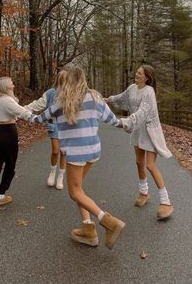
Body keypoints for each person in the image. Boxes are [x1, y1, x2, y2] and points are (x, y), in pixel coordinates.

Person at [30, 67, 125, 249]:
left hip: (76, 153)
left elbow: (39, 118)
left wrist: (21, 113)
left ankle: (109, 222)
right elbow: (113, 121)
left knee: (75, 192)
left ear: (68, 81)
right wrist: (129, 123)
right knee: (79, 190)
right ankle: (88, 229)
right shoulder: (96, 97)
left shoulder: (63, 100)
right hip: (93, 151)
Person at [105, 64, 174, 220]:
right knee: (138, 162)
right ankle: (144, 192)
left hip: (150, 131)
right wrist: (107, 100)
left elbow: (143, 113)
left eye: (140, 73)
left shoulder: (149, 92)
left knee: (150, 165)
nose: (137, 74)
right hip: (138, 130)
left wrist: (125, 122)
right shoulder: (132, 88)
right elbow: (121, 97)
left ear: (147, 78)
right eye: (137, 72)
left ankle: (166, 202)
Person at [0, 77, 34, 216]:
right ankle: (1, 195)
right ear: (5, 87)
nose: (13, 84)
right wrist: (38, 118)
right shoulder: (7, 100)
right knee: (10, 165)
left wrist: (29, 108)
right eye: (11, 83)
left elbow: (17, 109)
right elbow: (23, 113)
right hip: (8, 134)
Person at [25, 70, 67, 190]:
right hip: (54, 125)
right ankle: (52, 172)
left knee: (64, 152)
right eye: (62, 79)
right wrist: (23, 109)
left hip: (67, 127)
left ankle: (60, 176)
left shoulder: (72, 93)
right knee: (55, 151)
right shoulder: (50, 93)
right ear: (58, 79)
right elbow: (38, 104)